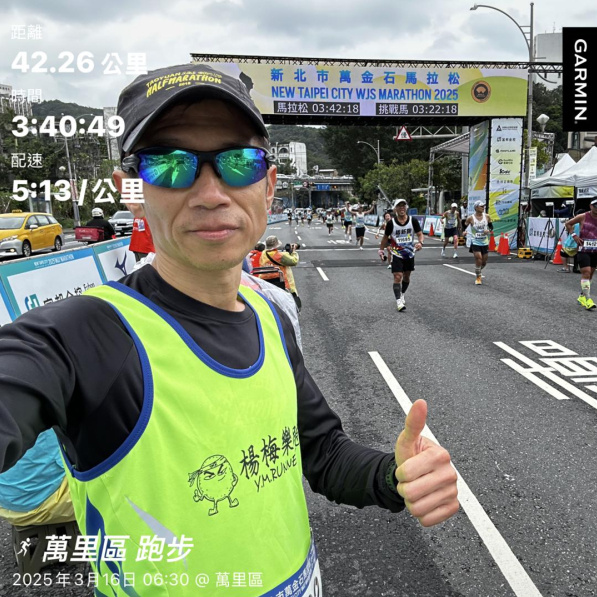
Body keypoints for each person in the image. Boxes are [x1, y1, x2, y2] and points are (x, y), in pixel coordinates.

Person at [0, 63, 458, 594]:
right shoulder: (85, 334)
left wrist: (393, 477)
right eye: (170, 164)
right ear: (132, 191)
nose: (211, 193)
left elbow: (322, 452)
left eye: (238, 162)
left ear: (268, 186)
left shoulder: (271, 312)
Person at [379, 199, 424, 311]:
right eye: (399, 206)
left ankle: (402, 293)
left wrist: (420, 242)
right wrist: (381, 250)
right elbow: (385, 238)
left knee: (406, 277)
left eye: (403, 206)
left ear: (406, 208)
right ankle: (398, 301)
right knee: (397, 276)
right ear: (395, 209)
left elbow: (420, 234)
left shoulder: (413, 221)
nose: (401, 208)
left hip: (409, 253)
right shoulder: (391, 223)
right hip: (396, 253)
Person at [565, 198, 597, 309]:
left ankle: (582, 296)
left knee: (590, 274)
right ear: (590, 206)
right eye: (595, 206)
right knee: (586, 272)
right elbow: (568, 224)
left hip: (595, 250)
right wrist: (574, 236)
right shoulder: (583, 216)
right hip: (583, 249)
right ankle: (588, 299)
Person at [260, 235, 301, 311]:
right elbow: (293, 261)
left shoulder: (263, 253)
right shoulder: (279, 256)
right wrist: (293, 252)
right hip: (281, 283)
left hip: (265, 282)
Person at [464, 200, 493, 285]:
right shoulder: (471, 218)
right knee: (478, 258)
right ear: (476, 207)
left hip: (484, 242)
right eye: (481, 206)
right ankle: (478, 277)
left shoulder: (487, 216)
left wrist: (488, 230)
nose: (483, 207)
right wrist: (464, 231)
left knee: (484, 262)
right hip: (475, 241)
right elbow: (464, 224)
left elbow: (491, 226)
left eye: (483, 206)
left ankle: (478, 269)